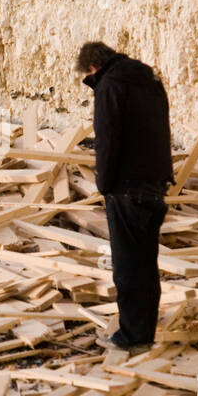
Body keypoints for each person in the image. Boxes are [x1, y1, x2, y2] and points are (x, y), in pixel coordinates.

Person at [77, 41, 172, 351]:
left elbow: (107, 139)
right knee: (146, 264)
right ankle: (143, 333)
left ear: (93, 68)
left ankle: (132, 337)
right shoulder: (150, 80)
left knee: (128, 266)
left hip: (126, 188)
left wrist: (103, 185)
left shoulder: (111, 86)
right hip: (154, 184)